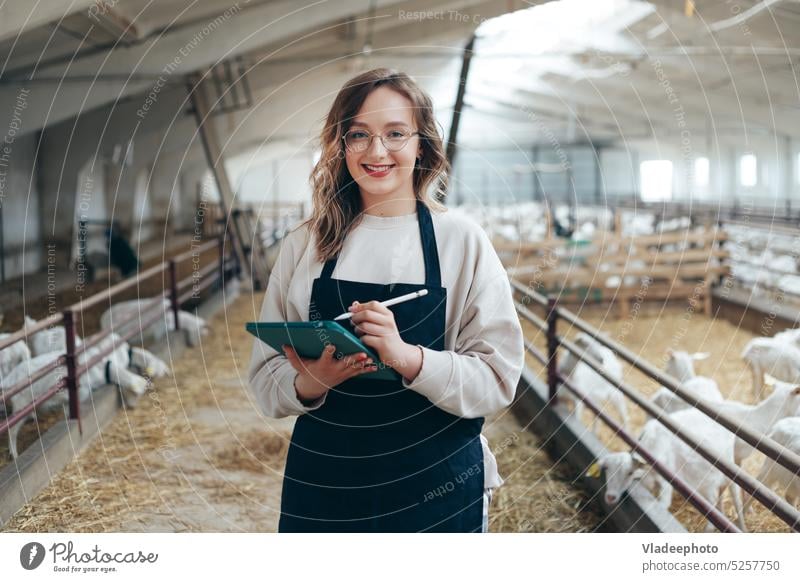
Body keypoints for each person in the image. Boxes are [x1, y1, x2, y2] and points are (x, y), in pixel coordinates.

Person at [248, 68, 524, 533]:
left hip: (436, 480)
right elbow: (264, 379)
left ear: (422, 145)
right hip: (327, 482)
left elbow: (498, 380)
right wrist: (311, 382)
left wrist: (408, 358)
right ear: (340, 145)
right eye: (359, 135)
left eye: (395, 133)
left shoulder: (461, 242)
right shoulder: (307, 245)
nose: (377, 152)